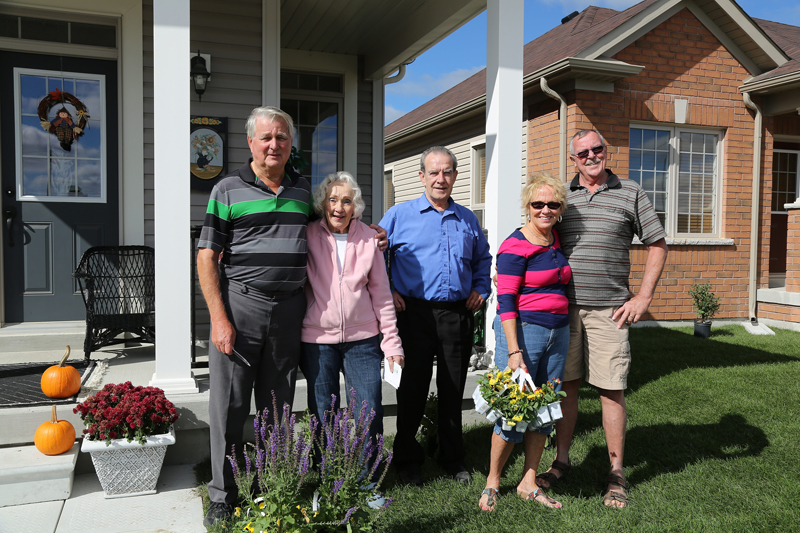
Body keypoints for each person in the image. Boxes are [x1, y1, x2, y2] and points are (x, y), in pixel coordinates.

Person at [534, 129, 668, 509]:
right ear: (572, 159)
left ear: (605, 152)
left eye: (597, 149)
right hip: (563, 309)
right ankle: (562, 461)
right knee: (568, 387)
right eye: (583, 153)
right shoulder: (562, 197)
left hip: (611, 310)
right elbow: (538, 234)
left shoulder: (631, 192)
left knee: (611, 388)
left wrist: (643, 296)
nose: (591, 156)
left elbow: (657, 244)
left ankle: (616, 472)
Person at [380, 146, 492, 486]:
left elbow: (483, 260)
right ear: (421, 176)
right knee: (411, 390)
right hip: (412, 314)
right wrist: (389, 291)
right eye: (433, 172)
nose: (440, 179)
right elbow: (373, 257)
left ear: (456, 176)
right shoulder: (399, 215)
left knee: (452, 388)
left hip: (456, 314)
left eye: (447, 172)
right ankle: (407, 459)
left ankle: (451, 456)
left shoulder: (467, 219)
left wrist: (481, 287)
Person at [479, 173, 571, 511]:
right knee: (513, 410)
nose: (545, 210)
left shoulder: (555, 239)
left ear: (560, 208)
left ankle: (529, 481)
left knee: (544, 409)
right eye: (538, 204)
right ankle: (492, 481)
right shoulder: (515, 246)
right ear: (527, 206)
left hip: (558, 333)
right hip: (524, 334)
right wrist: (514, 350)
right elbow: (505, 302)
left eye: (553, 204)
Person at [300, 171, 405, 448]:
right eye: (332, 199)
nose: (338, 207)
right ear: (323, 202)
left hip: (363, 341)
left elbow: (382, 295)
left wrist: (392, 343)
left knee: (368, 411)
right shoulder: (308, 235)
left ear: (355, 206)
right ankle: (327, 479)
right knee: (323, 414)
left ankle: (366, 481)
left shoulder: (370, 239)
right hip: (317, 341)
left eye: (346, 201)